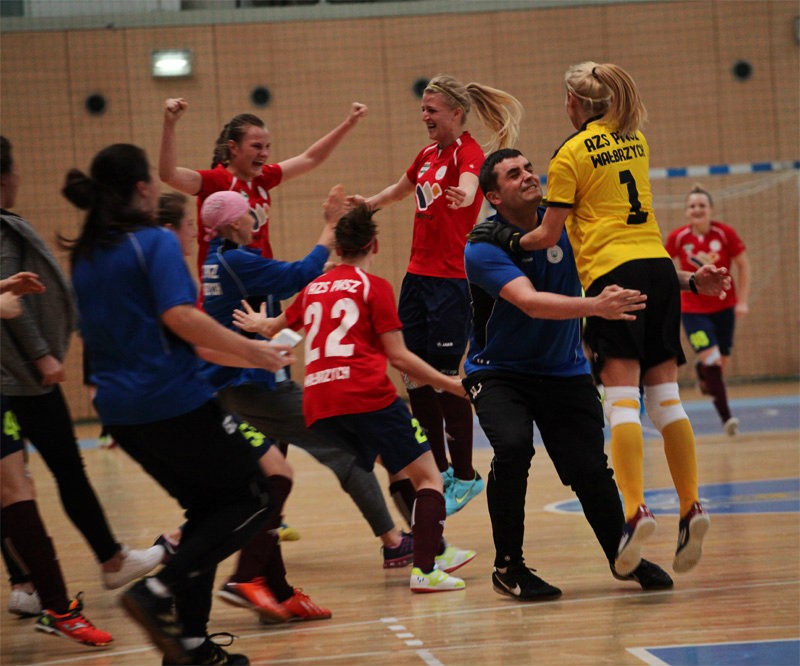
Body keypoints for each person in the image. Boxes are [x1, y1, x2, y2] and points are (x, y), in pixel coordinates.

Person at [483, 62, 730, 577]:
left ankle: (636, 509)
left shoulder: (570, 154)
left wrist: (505, 237)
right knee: (667, 399)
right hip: (660, 268)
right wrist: (690, 280)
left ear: (573, 102)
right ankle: (691, 505)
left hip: (614, 275)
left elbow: (546, 236)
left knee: (622, 402)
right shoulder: (634, 138)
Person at [61, 142, 294, 665]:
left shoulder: (87, 254)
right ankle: (157, 591)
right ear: (143, 188)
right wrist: (253, 351)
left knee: (208, 511)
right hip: (172, 399)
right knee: (256, 497)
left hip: (120, 412)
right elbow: (181, 318)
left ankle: (190, 644)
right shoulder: (154, 242)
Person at [466, 148, 676, 600]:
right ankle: (508, 567)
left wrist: (690, 281)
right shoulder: (482, 247)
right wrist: (595, 306)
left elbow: (625, 259)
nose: (528, 175)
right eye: (513, 174)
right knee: (513, 448)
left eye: (528, 168)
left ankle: (624, 558)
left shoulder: (566, 221)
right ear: (493, 196)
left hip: (564, 370)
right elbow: (530, 303)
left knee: (588, 467)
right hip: (500, 372)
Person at [238, 204, 477, 592]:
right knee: (430, 476)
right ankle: (426, 570)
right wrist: (450, 385)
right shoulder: (374, 287)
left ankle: (435, 550)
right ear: (374, 245)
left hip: (319, 405)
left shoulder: (313, 288)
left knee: (397, 465)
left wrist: (256, 323)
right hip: (366, 396)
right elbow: (399, 357)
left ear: (337, 248)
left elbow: (275, 329)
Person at [0, 135, 164, 611]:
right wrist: (41, 357)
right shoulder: (4, 230)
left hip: (17, 374)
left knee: (13, 484)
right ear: (7, 176)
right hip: (22, 377)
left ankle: (25, 584)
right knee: (57, 472)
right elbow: (13, 306)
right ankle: (109, 561)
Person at [347, 74, 523, 516]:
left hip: (449, 281)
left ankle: (465, 474)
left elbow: (471, 183)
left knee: (444, 374)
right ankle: (439, 468)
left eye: (432, 110)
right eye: (423, 109)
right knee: (411, 372)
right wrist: (368, 204)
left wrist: (466, 195)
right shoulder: (427, 154)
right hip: (417, 276)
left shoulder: (468, 152)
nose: (424, 116)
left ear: (456, 113)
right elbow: (400, 190)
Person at [159, 96, 368, 275]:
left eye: (267, 146)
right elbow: (169, 175)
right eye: (257, 146)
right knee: (301, 274)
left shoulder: (262, 178)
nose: (265, 153)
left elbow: (311, 158)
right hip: (229, 287)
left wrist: (349, 123)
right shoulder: (217, 181)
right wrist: (169, 124)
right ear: (233, 147)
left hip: (261, 283)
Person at [665, 184, 750, 437]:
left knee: (720, 362)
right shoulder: (679, 238)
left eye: (702, 205)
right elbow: (663, 265)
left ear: (711, 209)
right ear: (686, 211)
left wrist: (742, 301)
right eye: (692, 206)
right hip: (692, 312)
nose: (697, 209)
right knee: (712, 359)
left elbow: (744, 265)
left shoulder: (724, 234)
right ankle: (727, 418)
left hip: (724, 308)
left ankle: (703, 373)